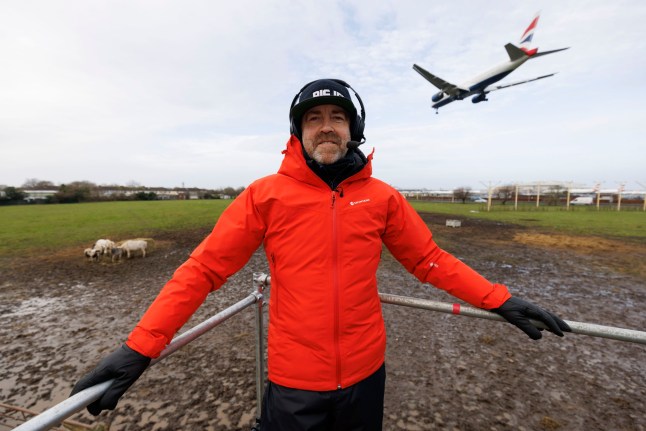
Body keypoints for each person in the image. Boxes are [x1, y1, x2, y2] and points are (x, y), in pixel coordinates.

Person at [71, 79, 571, 430]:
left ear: (355, 129)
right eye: (314, 118)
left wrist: (499, 298)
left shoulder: (384, 197)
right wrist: (141, 347)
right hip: (294, 380)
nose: (326, 127)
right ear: (298, 133)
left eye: (338, 117)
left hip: (366, 374)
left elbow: (429, 261)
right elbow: (203, 270)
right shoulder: (264, 195)